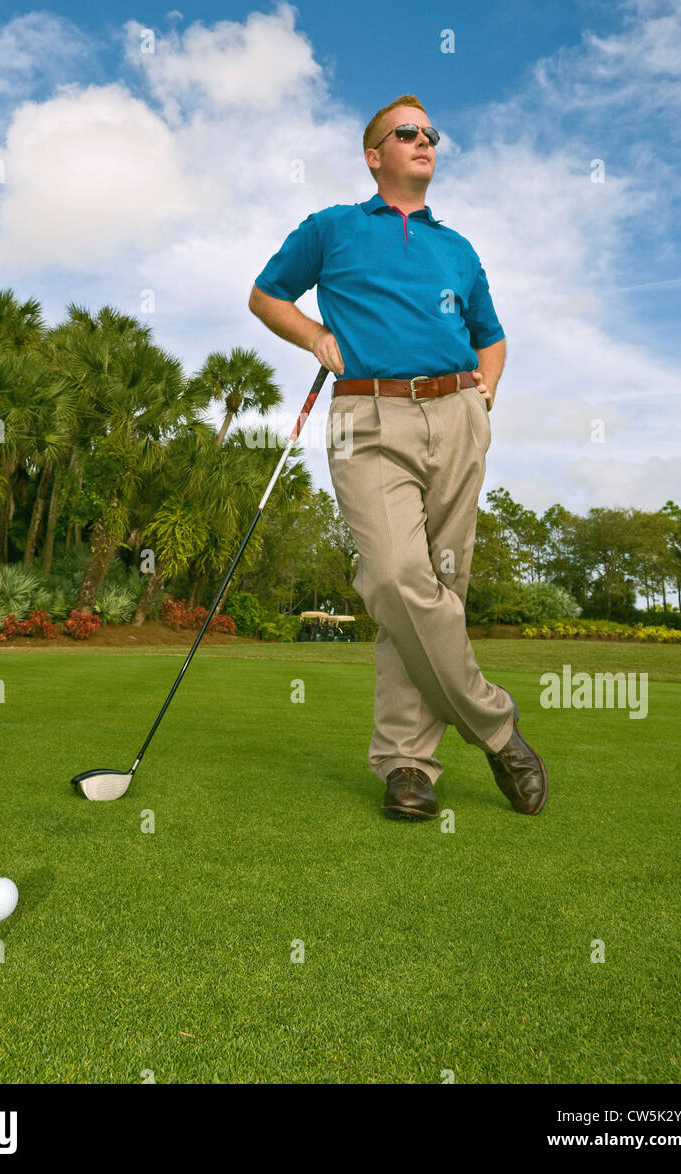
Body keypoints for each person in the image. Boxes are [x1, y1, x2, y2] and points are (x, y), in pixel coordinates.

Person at [249, 95, 547, 821]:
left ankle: (409, 766)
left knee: (440, 592)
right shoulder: (333, 229)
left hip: (457, 415)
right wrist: (316, 336)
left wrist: (487, 394)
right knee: (393, 576)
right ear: (374, 154)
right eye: (406, 133)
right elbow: (265, 295)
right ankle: (498, 729)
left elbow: (492, 335)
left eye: (431, 134)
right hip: (367, 416)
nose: (424, 141)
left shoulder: (459, 248)